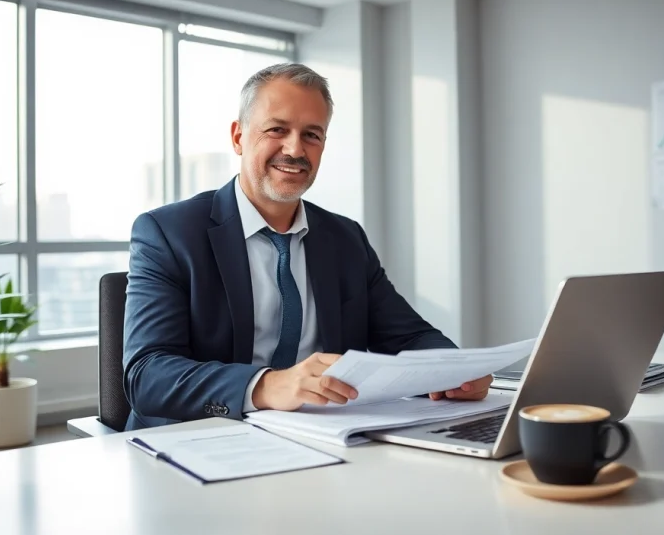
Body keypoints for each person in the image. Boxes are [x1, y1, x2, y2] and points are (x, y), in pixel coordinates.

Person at [121, 63, 491, 430]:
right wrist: (266, 385)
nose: (295, 149)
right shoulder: (168, 233)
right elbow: (147, 374)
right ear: (238, 137)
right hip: (196, 441)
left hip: (320, 437)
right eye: (277, 129)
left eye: (312, 134)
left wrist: (456, 371)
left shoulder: (345, 238)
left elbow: (409, 335)